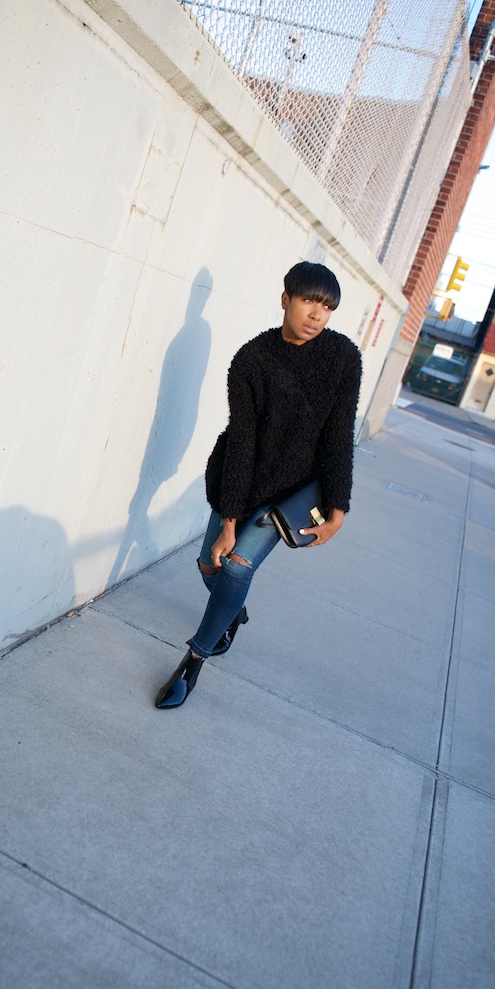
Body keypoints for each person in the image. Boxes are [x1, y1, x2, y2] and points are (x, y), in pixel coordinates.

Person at [155, 261, 362, 709]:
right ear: (285, 299)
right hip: (240, 478)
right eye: (309, 301)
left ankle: (193, 661)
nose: (317, 315)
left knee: (236, 568)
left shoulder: (343, 357)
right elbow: (243, 440)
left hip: (291, 494)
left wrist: (338, 508)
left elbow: (338, 436)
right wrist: (230, 520)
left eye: (327, 307)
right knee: (210, 565)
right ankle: (232, 611)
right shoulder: (252, 359)